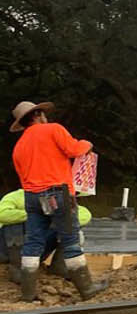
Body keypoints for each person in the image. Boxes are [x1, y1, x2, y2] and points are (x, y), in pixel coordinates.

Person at [9, 100, 107, 301]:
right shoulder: (53, 129)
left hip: (32, 196)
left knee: (33, 242)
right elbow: (74, 150)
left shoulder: (18, 146)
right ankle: (87, 288)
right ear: (37, 115)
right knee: (70, 240)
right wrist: (87, 144)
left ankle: (28, 293)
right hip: (56, 192)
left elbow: (22, 176)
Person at [2, 187, 92, 284]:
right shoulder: (15, 197)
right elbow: (2, 214)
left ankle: (60, 267)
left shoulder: (65, 203)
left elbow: (84, 216)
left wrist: (53, 218)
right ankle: (18, 268)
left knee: (72, 229)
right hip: (6, 249)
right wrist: (34, 216)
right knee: (14, 225)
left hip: (36, 249)